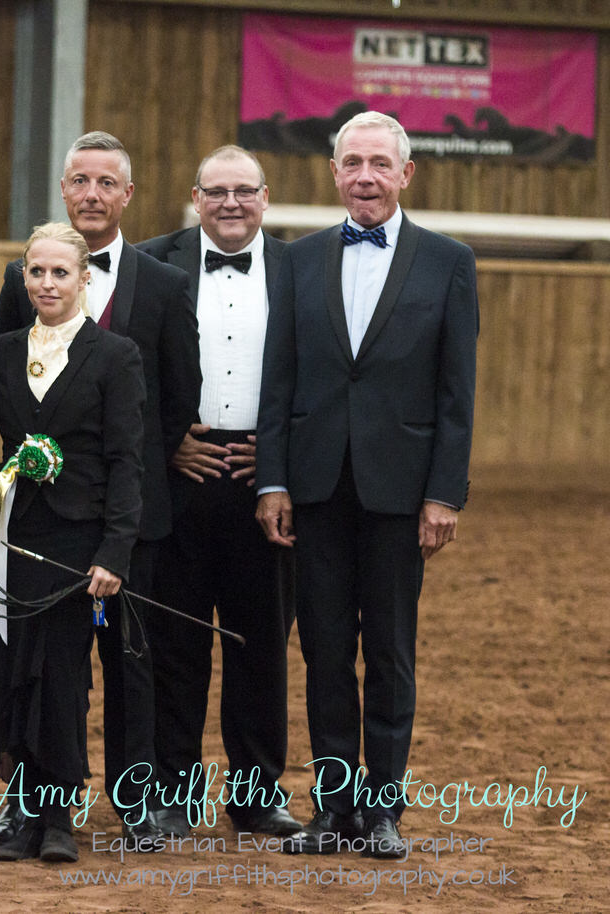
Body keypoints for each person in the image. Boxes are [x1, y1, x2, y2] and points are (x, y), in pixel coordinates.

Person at [256, 112, 478, 857]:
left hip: (399, 492)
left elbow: (457, 393)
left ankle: (382, 811)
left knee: (387, 653)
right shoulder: (296, 260)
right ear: (334, 173)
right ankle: (332, 808)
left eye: (380, 164)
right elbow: (278, 379)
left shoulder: (448, 263)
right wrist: (272, 480)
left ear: (406, 174)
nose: (366, 177)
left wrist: (444, 493)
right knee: (322, 651)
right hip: (314, 488)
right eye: (353, 163)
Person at [0, 131, 200, 846]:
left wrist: (125, 498)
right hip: (44, 523)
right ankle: (32, 803)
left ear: (127, 195)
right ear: (64, 189)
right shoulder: (29, 286)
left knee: (131, 667)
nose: (92, 193)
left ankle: (136, 806)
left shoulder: (167, 286)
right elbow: (4, 391)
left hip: (131, 521)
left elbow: (179, 394)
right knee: (42, 666)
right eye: (79, 180)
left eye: (106, 182)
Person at [0, 222, 146, 864]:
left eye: (60, 273)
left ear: (84, 279)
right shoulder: (4, 352)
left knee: (62, 674)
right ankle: (23, 814)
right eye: (36, 272)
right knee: (16, 672)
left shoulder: (115, 357)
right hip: (17, 536)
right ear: (24, 277)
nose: (47, 283)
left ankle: (57, 820)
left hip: (80, 546)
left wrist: (115, 553)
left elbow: (128, 463)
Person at [137, 145, 299, 839]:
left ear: (265, 199)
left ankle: (258, 795)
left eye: (244, 191)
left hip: (266, 482)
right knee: (173, 644)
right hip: (180, 474)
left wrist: (284, 451)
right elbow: (123, 365)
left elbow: (325, 374)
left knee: (260, 642)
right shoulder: (151, 263)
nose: (230, 203)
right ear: (194, 198)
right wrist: (166, 440)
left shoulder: (302, 269)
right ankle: (171, 795)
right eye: (216, 191)